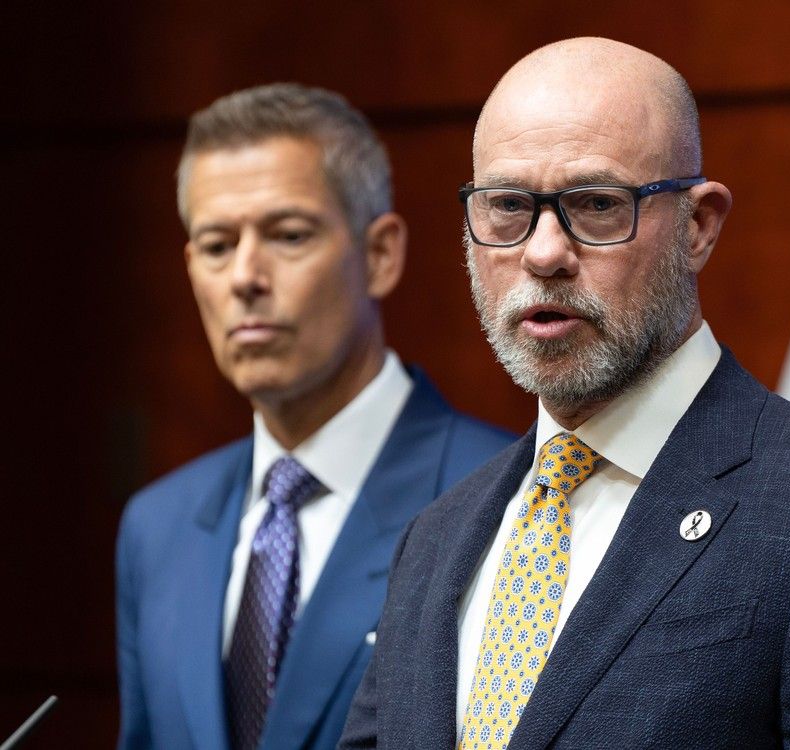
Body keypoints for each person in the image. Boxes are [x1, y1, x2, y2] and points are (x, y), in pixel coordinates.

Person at [339, 38, 790, 749]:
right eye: (508, 206)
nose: (543, 253)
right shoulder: (434, 539)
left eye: (597, 204)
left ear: (698, 227)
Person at [115, 83, 513, 750]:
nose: (244, 276)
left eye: (288, 235)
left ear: (380, 255)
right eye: (216, 245)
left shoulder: (506, 495)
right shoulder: (157, 528)